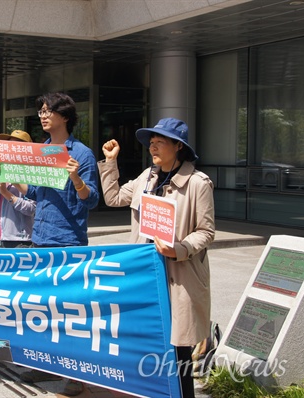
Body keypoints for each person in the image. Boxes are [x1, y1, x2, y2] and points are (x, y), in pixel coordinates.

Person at [98, 117, 215, 398]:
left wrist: (179, 248)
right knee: (149, 339)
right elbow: (113, 198)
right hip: (145, 274)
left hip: (180, 275)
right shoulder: (145, 177)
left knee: (179, 347)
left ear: (178, 146)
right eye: (152, 142)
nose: (153, 147)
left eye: (160, 142)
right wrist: (111, 162)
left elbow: (206, 231)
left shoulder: (198, 183)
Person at [6, 93, 99, 396]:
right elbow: (32, 191)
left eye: (48, 111)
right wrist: (9, 173)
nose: (43, 116)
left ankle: (75, 376)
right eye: (41, 111)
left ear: (65, 116)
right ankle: (43, 364)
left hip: (68, 241)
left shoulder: (81, 154)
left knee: (69, 310)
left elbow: (93, 200)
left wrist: (76, 179)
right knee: (42, 307)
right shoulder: (42, 150)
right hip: (40, 239)